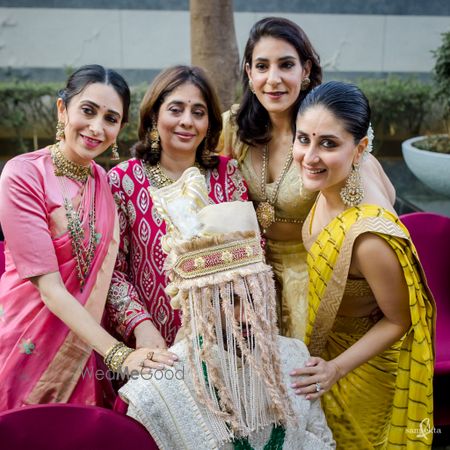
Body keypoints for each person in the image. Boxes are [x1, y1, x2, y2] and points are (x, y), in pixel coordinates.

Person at [119, 167, 335, 450]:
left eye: (253, 295)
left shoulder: (294, 357)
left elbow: (324, 443)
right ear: (203, 302)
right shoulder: (159, 388)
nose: (247, 315)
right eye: (230, 300)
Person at [0, 65, 176, 411]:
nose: (97, 127)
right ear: (62, 109)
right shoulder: (23, 175)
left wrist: (142, 329)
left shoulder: (104, 184)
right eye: (88, 110)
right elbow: (49, 288)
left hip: (84, 347)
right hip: (25, 340)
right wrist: (118, 354)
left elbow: (106, 279)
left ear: (119, 129)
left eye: (111, 119)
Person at [219, 17, 395, 341]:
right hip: (251, 274)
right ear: (249, 72)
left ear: (306, 70)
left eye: (286, 65)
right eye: (262, 66)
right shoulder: (234, 127)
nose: (273, 79)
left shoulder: (323, 129)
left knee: (305, 378)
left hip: (312, 273)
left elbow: (378, 194)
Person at [290, 81, 435, 448]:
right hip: (328, 345)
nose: (310, 156)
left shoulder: (369, 239)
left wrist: (336, 369)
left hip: (363, 368)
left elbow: (399, 320)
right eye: (303, 138)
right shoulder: (360, 168)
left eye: (328, 144)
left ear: (360, 148)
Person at [106, 65, 248, 351]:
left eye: (198, 112)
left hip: (222, 338)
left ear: (209, 122)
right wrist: (140, 327)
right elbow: (112, 272)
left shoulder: (227, 174)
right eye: (176, 109)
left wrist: (223, 318)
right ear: (154, 116)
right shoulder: (123, 180)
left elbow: (248, 253)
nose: (187, 121)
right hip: (149, 344)